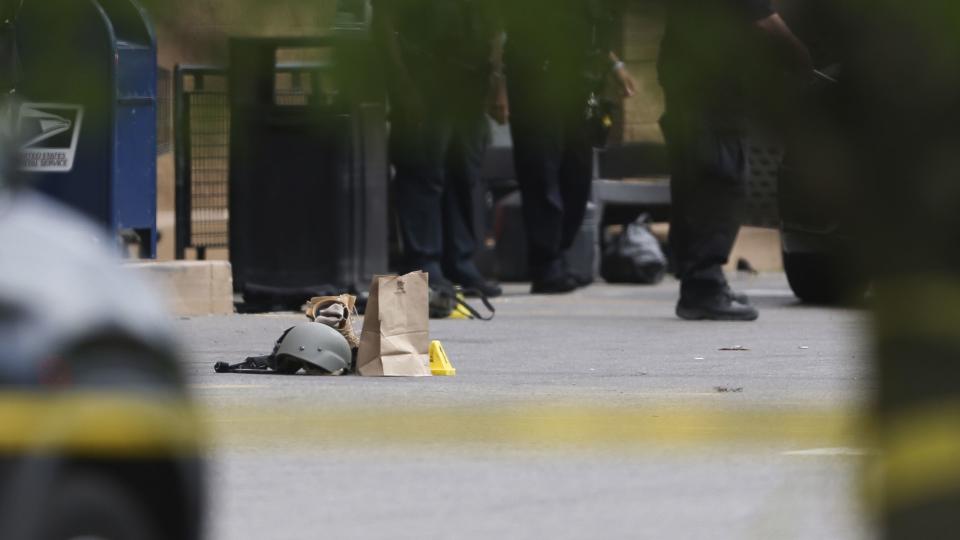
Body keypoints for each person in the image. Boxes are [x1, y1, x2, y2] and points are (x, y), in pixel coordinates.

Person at [657, 0, 812, 320]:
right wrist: (799, 55)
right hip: (713, 88)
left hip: (690, 78)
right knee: (721, 179)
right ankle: (704, 287)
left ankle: (697, 280)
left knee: (693, 177)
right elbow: (761, 18)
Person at [372, 0, 508, 298]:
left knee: (463, 174)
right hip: (423, 79)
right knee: (422, 172)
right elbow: (384, 24)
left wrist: (497, 82)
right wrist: (402, 86)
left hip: (470, 84)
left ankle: (459, 262)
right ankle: (424, 265)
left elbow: (495, 27)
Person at [500, 0, 637, 294]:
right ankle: (546, 263)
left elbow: (593, 25)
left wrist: (614, 65)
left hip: (581, 82)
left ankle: (559, 254)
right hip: (536, 77)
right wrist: (497, 81)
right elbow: (500, 27)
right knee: (541, 168)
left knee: (577, 171)